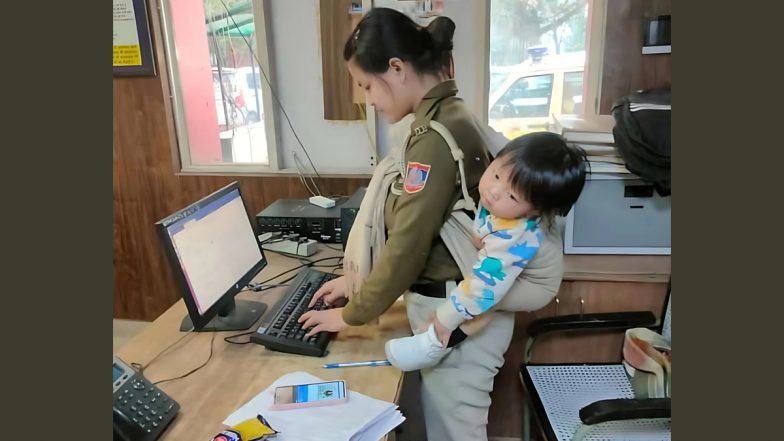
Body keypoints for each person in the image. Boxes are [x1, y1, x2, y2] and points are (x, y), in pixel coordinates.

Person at [297, 7, 559, 440]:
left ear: (396, 69)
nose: (368, 99)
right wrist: (354, 284)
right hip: (459, 311)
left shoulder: (434, 138)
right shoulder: (446, 117)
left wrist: (353, 314)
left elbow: (409, 242)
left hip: (460, 320)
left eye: (366, 85)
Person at [384, 132, 588, 371]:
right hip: (518, 264)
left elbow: (484, 286)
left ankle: (433, 345)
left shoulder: (514, 235)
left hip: (535, 285)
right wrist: (480, 233)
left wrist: (445, 317)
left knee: (486, 300)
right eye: (497, 174)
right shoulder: (502, 201)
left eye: (512, 195)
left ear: (532, 211)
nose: (494, 191)